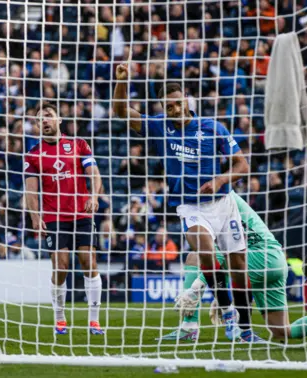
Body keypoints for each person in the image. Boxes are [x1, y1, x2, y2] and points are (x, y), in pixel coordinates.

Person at [113, 65, 259, 342]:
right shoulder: (159, 126)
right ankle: (228, 314)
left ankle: (245, 328)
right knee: (204, 250)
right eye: (169, 106)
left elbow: (242, 164)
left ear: (187, 100)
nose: (175, 109)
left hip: (222, 202)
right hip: (190, 206)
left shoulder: (212, 127)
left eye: (178, 103)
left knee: (238, 264)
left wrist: (219, 180)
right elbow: (121, 112)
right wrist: (121, 82)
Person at [161, 191, 307, 342]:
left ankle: (190, 327)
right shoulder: (220, 194)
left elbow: (221, 253)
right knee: (282, 331)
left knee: (194, 257)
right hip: (275, 259)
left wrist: (197, 289)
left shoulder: (217, 199)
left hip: (259, 256)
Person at [23, 102, 104, 336]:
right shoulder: (33, 155)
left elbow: (94, 174)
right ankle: (60, 319)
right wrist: (35, 216)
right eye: (39, 119)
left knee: (89, 262)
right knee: (61, 266)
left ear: (59, 120)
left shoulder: (78, 144)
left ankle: (94, 320)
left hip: (81, 213)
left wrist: (94, 196)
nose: (44, 121)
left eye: (48, 116)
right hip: (54, 217)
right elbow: (31, 190)